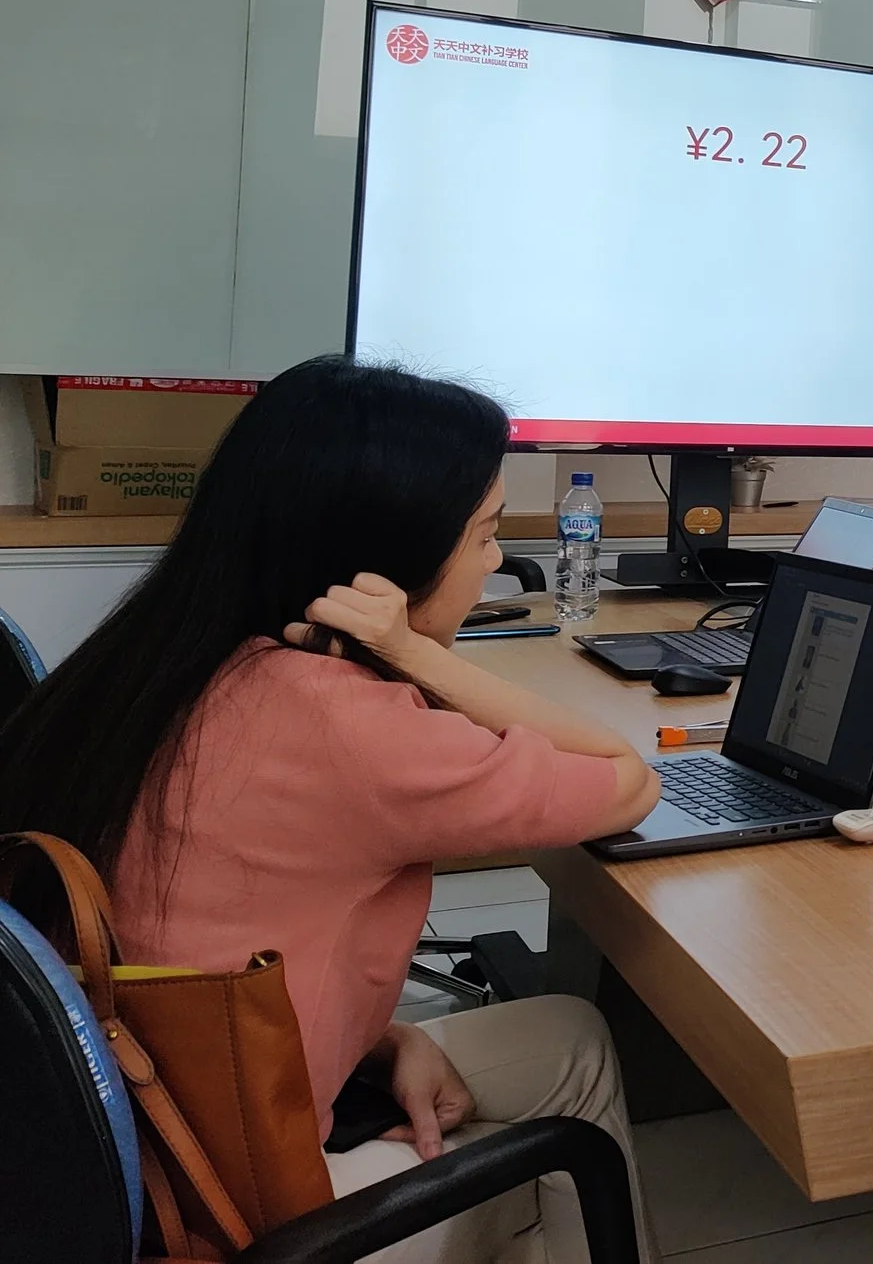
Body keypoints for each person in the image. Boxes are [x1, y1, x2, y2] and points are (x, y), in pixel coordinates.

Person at [0, 357, 664, 1264]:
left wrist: (378, 1040)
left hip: (148, 1129)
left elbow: (192, 930)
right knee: (567, 1123)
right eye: (483, 532)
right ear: (385, 562)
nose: (496, 560)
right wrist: (418, 655)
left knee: (571, 1033)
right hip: (244, 1214)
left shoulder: (171, 661)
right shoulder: (347, 725)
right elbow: (627, 778)